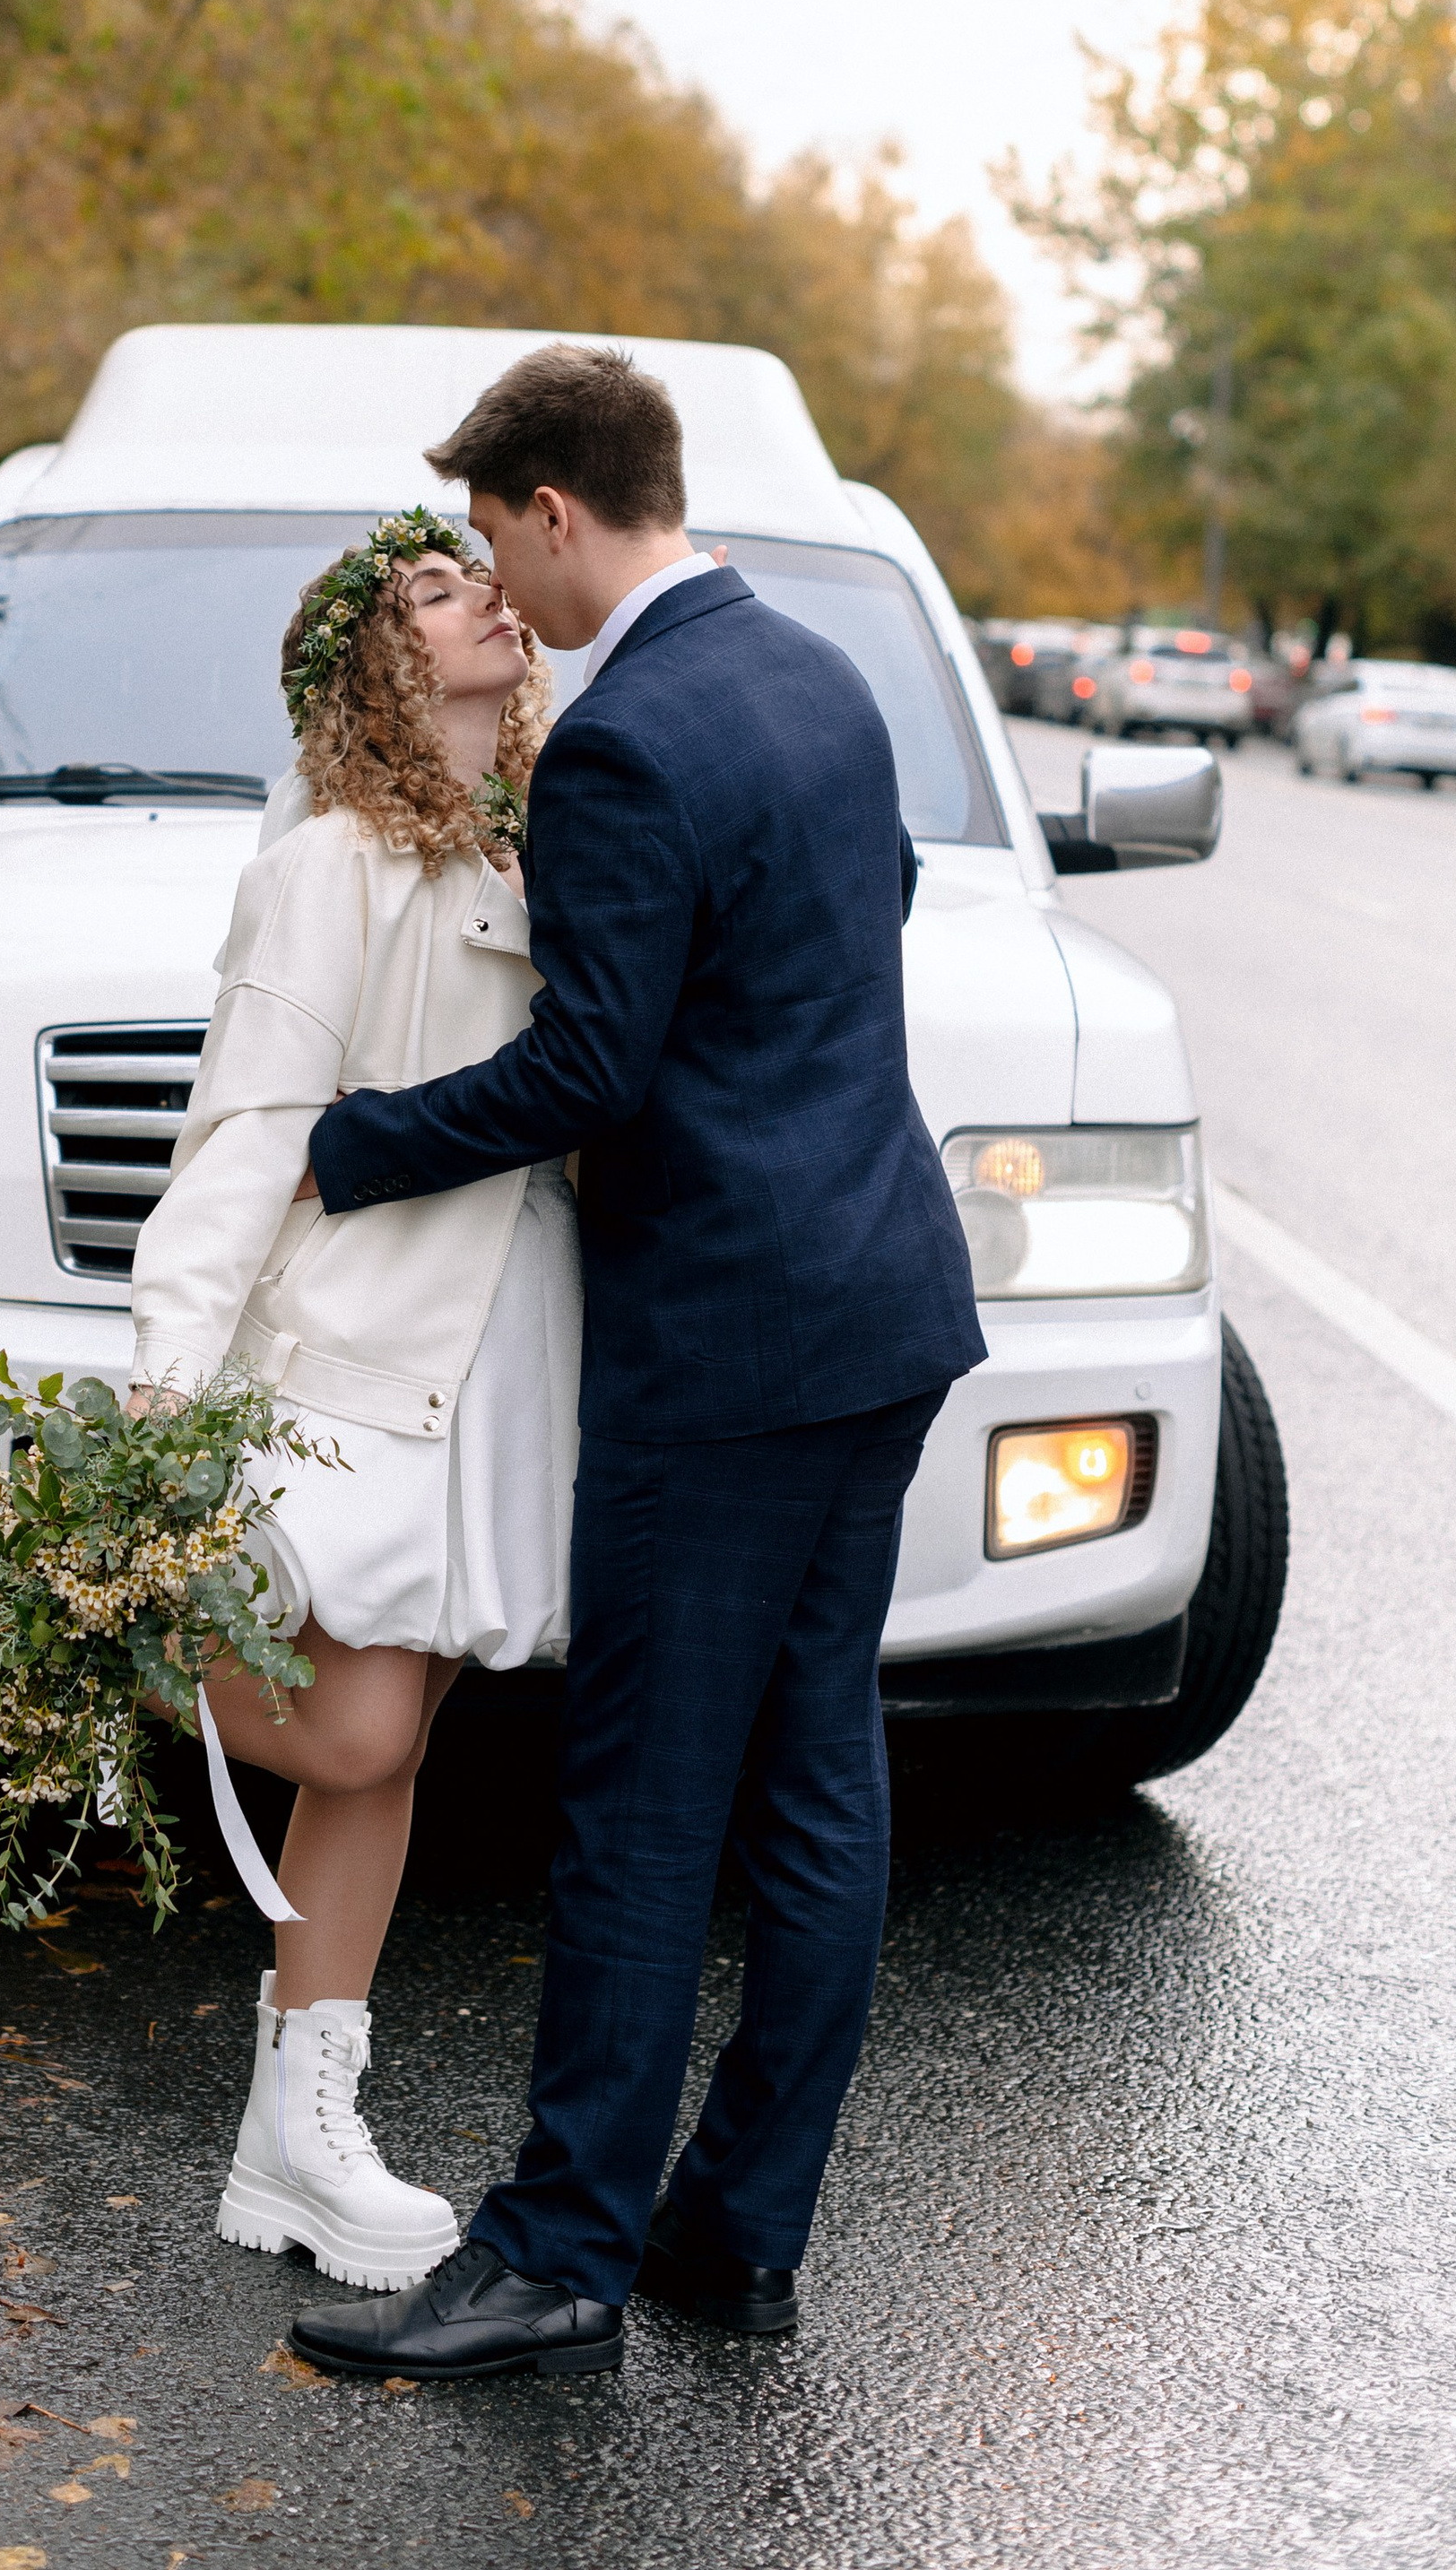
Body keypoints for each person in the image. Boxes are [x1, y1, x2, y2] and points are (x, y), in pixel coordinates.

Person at [282, 344, 986, 2386]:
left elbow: (590, 1064)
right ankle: (732, 2229)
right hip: (878, 1309)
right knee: (816, 1787)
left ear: (555, 510)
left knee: (637, 1805)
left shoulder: (622, 741)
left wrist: (357, 1142)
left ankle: (557, 2256)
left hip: (729, 1341)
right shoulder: (814, 675)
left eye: (499, 534)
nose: (501, 578)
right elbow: (841, 934)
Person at [122, 511, 583, 2295]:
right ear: (370, 665)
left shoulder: (537, 835)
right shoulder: (331, 861)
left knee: (393, 1743)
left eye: (485, 578)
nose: (482, 600)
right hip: (345, 1365)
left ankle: (294, 2133)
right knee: (363, 1731)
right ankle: (74, 1640)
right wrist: (166, 1373)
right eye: (431, 589)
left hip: (494, 1369)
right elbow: (246, 1122)